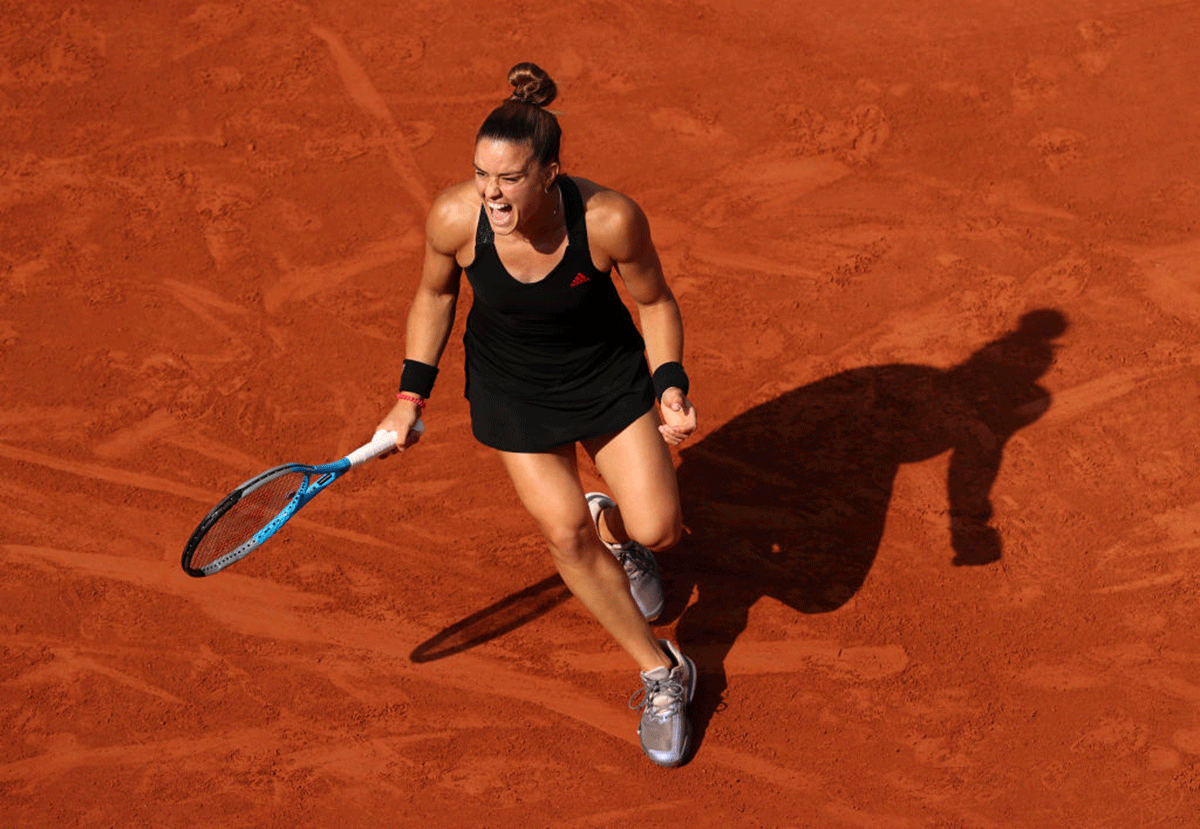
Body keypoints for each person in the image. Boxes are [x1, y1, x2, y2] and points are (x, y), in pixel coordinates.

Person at [374, 62, 699, 766]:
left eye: (510, 178)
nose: (490, 193)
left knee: (661, 527)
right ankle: (660, 671)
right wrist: (409, 397)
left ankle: (616, 527)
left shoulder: (609, 219)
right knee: (562, 534)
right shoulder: (456, 218)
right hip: (512, 388)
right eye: (481, 175)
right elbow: (433, 299)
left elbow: (654, 303)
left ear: (551, 171)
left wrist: (668, 384)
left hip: (604, 376)